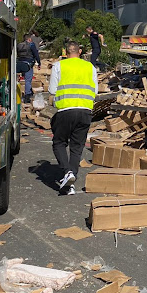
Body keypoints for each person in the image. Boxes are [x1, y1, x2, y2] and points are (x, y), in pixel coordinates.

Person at [48, 41, 97, 195]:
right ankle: (71, 182)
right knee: (77, 147)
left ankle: (67, 172)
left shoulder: (59, 66)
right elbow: (94, 91)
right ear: (79, 51)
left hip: (66, 110)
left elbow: (51, 90)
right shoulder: (90, 67)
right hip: (85, 111)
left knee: (59, 142)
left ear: (65, 52)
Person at [16, 33, 41, 103]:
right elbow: (36, 54)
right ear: (29, 39)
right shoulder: (31, 45)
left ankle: (14, 94)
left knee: (17, 79)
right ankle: (27, 96)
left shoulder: (19, 45)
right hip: (28, 65)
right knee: (28, 81)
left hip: (19, 64)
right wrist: (39, 63)